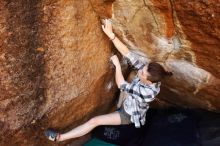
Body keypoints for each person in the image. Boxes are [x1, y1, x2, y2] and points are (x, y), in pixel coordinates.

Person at [44, 19, 172, 142]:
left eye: (142, 72)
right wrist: (111, 35)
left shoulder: (147, 93)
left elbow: (121, 85)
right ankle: (118, 105)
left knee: (95, 121)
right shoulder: (151, 75)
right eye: (143, 68)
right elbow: (127, 54)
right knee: (132, 76)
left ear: (149, 82)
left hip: (128, 115)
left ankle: (59, 138)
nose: (140, 70)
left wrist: (117, 65)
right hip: (129, 101)